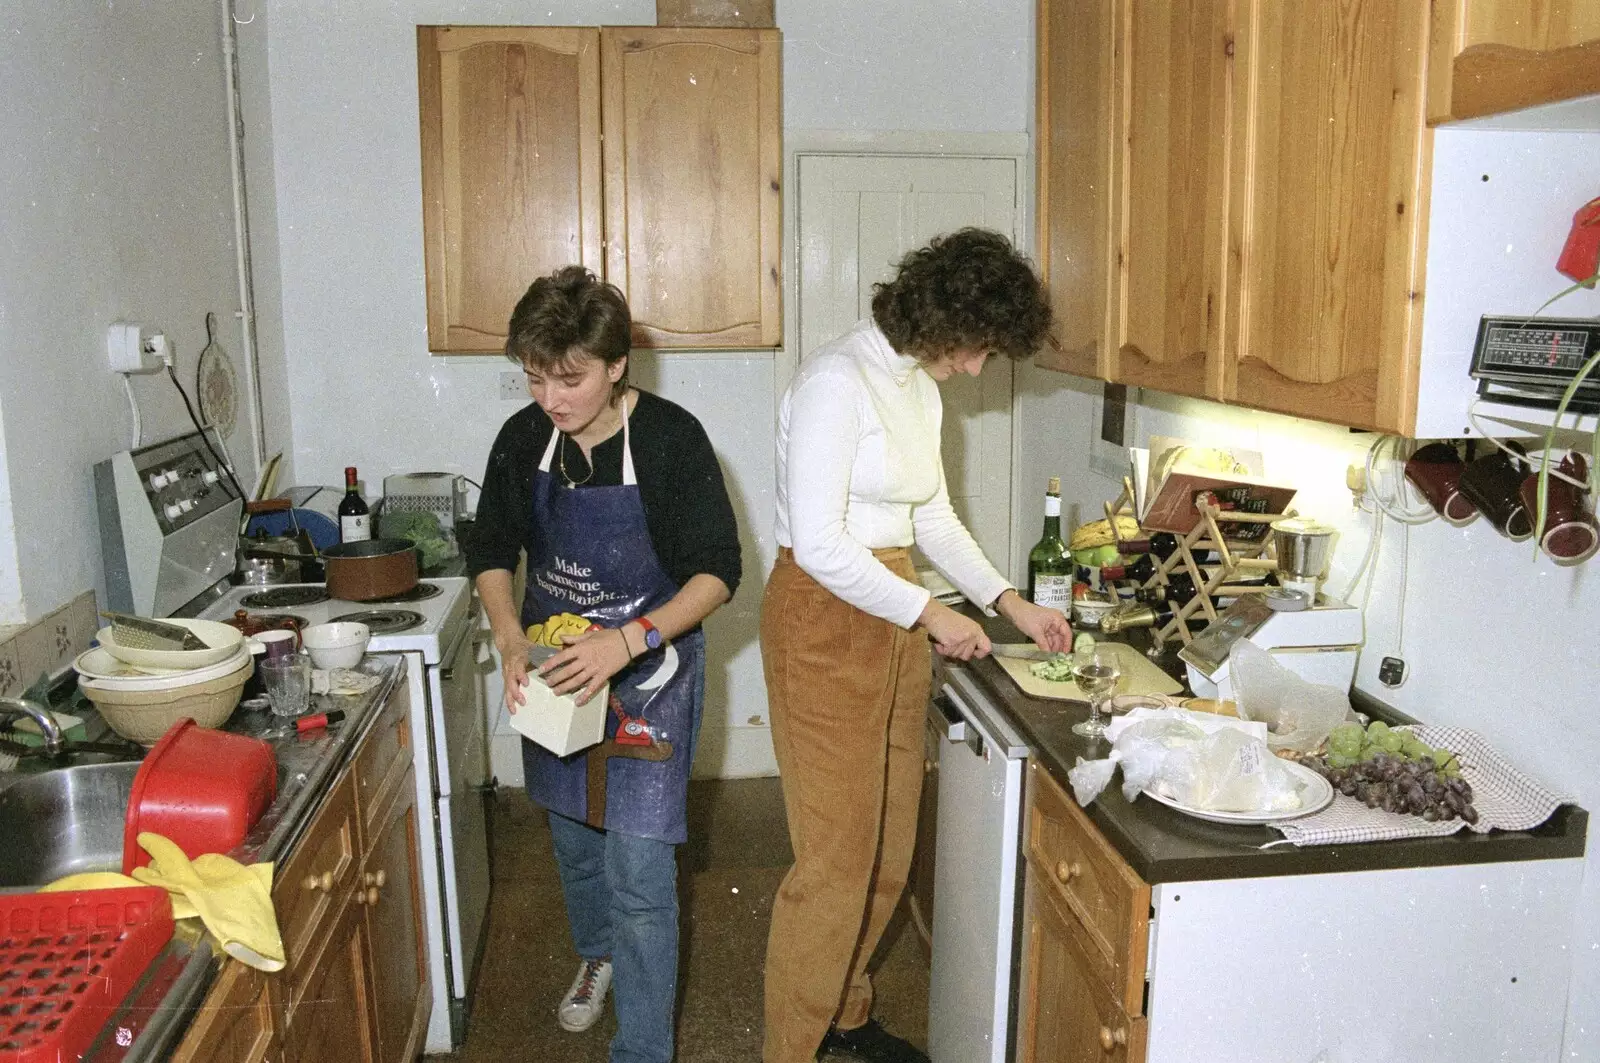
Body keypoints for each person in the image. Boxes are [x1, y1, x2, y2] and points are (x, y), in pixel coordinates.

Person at [761, 228, 1071, 1063]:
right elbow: (823, 546)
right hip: (822, 617)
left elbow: (929, 514)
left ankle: (847, 1017)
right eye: (974, 348)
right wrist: (932, 615)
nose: (975, 370)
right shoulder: (837, 380)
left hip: (891, 610)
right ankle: (790, 1048)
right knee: (833, 864)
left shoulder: (917, 391)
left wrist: (1006, 600)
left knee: (890, 846)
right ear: (941, 316)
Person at [468, 265, 741, 1063]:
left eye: (571, 378)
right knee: (572, 838)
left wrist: (626, 641)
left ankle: (644, 1049)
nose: (552, 398)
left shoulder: (669, 439)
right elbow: (491, 548)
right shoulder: (525, 437)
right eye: (534, 377)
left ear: (616, 364)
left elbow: (718, 571)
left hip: (649, 672)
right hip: (554, 667)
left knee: (640, 866)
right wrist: (513, 637)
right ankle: (598, 955)